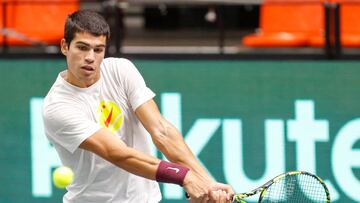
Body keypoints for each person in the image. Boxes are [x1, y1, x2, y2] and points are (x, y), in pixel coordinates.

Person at [43, 9, 234, 203]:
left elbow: (162, 131)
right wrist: (184, 177)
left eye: (98, 49)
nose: (90, 57)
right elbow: (118, 153)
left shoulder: (121, 70)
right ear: (65, 46)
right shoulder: (57, 107)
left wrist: (206, 182)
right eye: (82, 48)